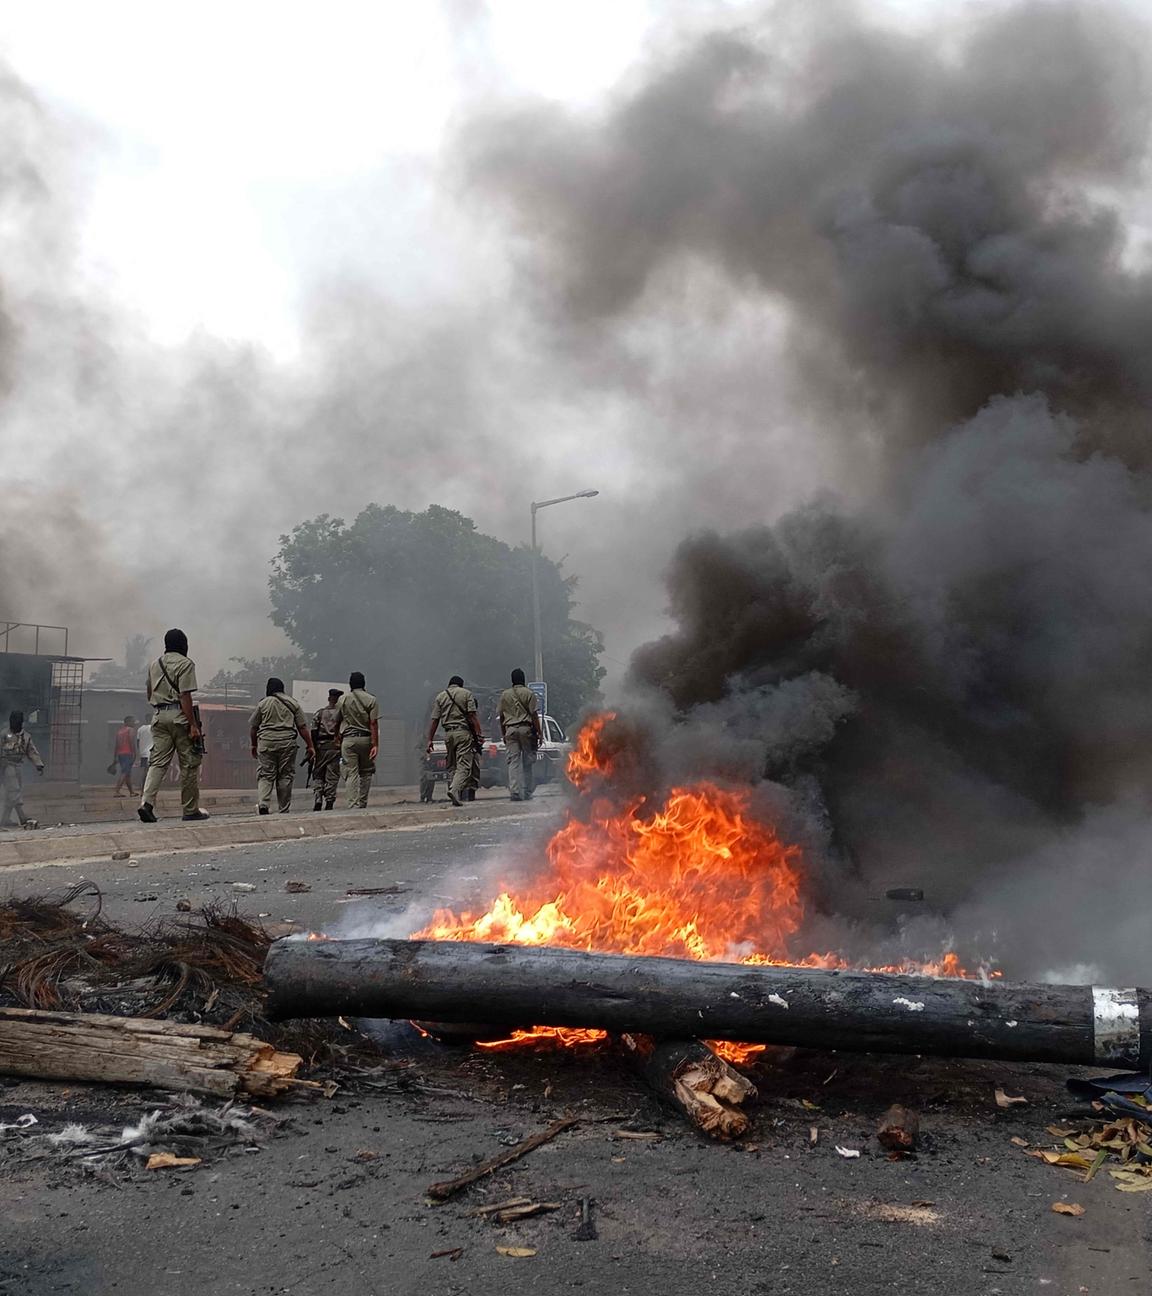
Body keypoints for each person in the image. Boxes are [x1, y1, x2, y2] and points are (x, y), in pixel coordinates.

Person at [138, 628, 209, 823]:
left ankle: (146, 804)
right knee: (189, 763)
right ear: (183, 644)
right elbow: (185, 695)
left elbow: (149, 692)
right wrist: (193, 725)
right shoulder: (186, 664)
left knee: (157, 763)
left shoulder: (155, 664)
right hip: (179, 716)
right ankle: (190, 809)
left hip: (159, 716)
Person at [249, 678, 314, 815]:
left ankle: (263, 804)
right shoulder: (293, 703)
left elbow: (254, 727)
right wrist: (310, 746)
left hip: (266, 742)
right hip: (287, 743)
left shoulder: (263, 704)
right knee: (285, 775)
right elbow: (302, 727)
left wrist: (254, 745)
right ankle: (283, 809)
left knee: (265, 775)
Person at [428, 675, 481, 808]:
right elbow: (472, 715)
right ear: (460, 685)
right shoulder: (466, 694)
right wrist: (479, 733)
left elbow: (434, 720)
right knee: (464, 765)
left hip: (448, 734)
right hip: (463, 733)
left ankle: (455, 795)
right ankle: (454, 789)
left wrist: (430, 739)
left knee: (452, 765)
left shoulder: (440, 696)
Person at [498, 669, 542, 802]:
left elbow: (501, 716)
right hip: (526, 729)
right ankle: (527, 791)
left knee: (513, 762)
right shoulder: (529, 694)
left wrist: (504, 733)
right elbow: (534, 715)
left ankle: (515, 791)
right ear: (523, 679)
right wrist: (540, 732)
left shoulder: (504, 695)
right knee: (527, 762)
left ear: (512, 680)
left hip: (510, 730)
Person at [337, 672, 379, 809]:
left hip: (348, 741)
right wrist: (375, 744)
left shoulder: (342, 700)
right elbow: (373, 723)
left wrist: (337, 737)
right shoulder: (371, 700)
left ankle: (353, 804)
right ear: (364, 684)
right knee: (366, 772)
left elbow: (337, 720)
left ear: (350, 684)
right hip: (366, 739)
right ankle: (363, 803)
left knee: (351, 773)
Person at [1, 710, 44, 830]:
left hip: (18, 766)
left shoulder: (26, 737)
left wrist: (38, 764)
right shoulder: (4, 734)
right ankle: (22, 817)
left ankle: (4, 820)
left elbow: (32, 752)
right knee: (14, 791)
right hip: (6, 766)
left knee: (14, 792)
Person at [310, 688, 343, 811]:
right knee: (332, 776)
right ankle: (329, 801)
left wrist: (313, 747)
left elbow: (313, 731)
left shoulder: (319, 713)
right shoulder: (341, 714)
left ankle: (318, 798)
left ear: (329, 698)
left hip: (320, 748)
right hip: (335, 748)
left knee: (318, 774)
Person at [111, 714, 137, 797]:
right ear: (127, 722)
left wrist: (115, 757)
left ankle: (131, 792)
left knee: (127, 774)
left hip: (120, 754)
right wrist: (134, 753)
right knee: (124, 772)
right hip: (127, 753)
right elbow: (131, 742)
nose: (134, 723)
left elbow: (117, 745)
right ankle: (117, 791)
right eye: (133, 721)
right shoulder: (131, 730)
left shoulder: (120, 731)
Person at [135, 717, 153, 791]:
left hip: (143, 753)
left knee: (145, 771)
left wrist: (139, 751)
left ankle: (143, 789)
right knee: (151, 772)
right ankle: (147, 789)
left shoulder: (140, 729)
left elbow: (137, 742)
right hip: (152, 753)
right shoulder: (154, 728)